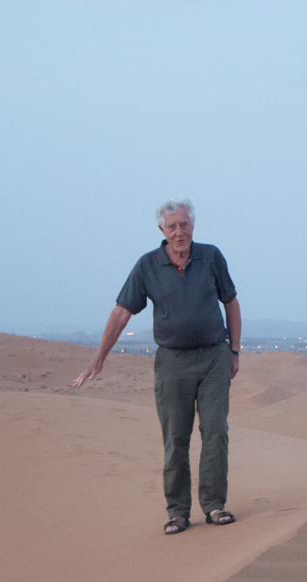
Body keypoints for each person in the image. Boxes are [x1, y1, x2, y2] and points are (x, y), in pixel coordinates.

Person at [71, 200, 242, 535]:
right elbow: (122, 312)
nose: (179, 232)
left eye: (184, 225)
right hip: (172, 363)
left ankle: (214, 505)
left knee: (215, 431)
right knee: (175, 438)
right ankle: (178, 511)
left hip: (213, 358)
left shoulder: (211, 257)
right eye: (172, 226)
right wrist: (99, 357)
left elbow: (231, 303)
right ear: (162, 231)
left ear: (192, 226)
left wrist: (234, 351)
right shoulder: (147, 266)